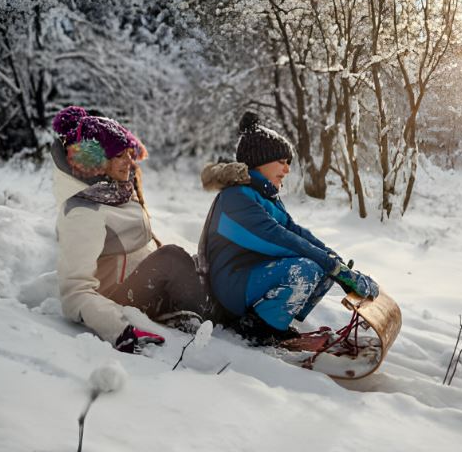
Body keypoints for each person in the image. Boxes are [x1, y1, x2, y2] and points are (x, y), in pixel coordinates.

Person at [198, 111, 379, 344]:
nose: (287, 170)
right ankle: (257, 328)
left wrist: (338, 263)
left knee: (324, 264)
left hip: (252, 276)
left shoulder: (265, 195)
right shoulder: (236, 198)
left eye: (288, 163)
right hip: (230, 287)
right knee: (306, 268)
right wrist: (334, 267)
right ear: (259, 162)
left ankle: (273, 320)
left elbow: (294, 231)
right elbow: (277, 238)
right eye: (281, 162)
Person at [51, 106, 213, 353]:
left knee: (204, 262)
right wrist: (120, 329)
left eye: (129, 152)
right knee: (171, 258)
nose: (130, 161)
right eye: (119, 155)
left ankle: (217, 314)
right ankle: (218, 324)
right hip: (117, 302)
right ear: (96, 160)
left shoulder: (115, 192)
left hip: (142, 289)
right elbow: (75, 292)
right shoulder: (83, 211)